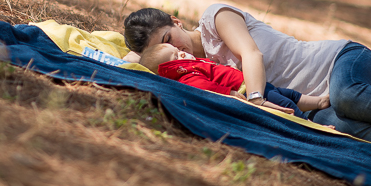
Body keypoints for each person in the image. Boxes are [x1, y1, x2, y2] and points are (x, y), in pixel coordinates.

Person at [124, 4, 371, 186]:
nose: (176, 51)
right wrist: (143, 56)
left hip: (343, 63)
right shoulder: (193, 74)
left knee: (347, 99)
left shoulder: (214, 18)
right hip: (311, 105)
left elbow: (252, 56)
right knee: (349, 128)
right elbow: (131, 62)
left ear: (175, 22)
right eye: (165, 51)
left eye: (168, 39)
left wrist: (255, 99)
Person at [139, 42, 330, 119]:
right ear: (168, 70)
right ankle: (309, 124)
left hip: (252, 83)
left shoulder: (192, 64)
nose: (180, 52)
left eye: (176, 49)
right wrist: (229, 93)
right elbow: (204, 86)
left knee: (289, 94)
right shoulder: (186, 75)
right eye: (174, 57)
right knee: (285, 102)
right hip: (245, 89)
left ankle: (318, 101)